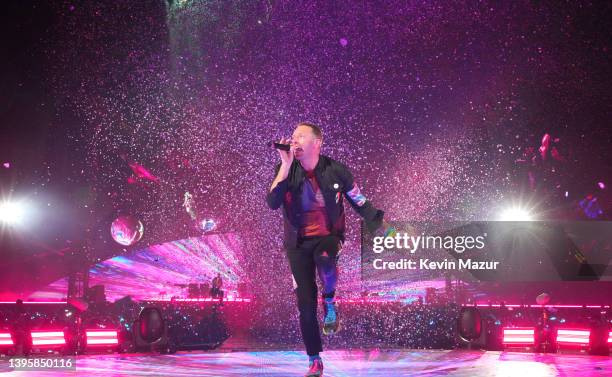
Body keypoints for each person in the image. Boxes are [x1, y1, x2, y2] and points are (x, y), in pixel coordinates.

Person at [266, 122, 389, 377]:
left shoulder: (336, 170)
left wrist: (383, 226)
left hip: (329, 237)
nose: (294, 140)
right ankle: (314, 359)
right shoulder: (287, 168)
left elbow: (358, 200)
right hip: (297, 245)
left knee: (325, 258)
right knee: (306, 304)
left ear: (317, 142)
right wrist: (286, 165)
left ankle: (330, 300)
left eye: (300, 136)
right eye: (293, 137)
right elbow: (272, 202)